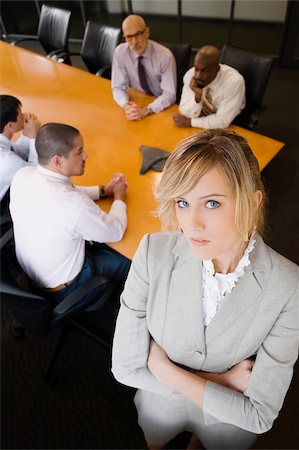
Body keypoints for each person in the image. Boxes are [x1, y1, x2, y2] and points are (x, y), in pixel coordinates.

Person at [112, 129, 299, 449]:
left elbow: (258, 415)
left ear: (253, 202)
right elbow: (125, 370)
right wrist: (221, 382)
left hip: (226, 426)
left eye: (212, 202)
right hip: (162, 406)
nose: (191, 224)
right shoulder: (152, 252)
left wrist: (160, 366)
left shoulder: (288, 286)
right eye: (183, 202)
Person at [10, 123, 130, 304]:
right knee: (133, 258)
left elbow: (68, 191)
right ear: (58, 161)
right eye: (79, 151)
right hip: (65, 288)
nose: (86, 155)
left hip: (32, 277)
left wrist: (103, 190)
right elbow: (116, 230)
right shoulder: (75, 206)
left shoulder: (23, 175)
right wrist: (119, 197)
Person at [112, 14, 177, 121]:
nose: (134, 42)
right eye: (129, 37)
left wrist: (147, 110)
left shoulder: (165, 56)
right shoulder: (120, 52)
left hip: (160, 107)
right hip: (138, 101)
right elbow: (118, 87)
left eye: (138, 34)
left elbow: (169, 94)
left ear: (147, 32)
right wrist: (126, 106)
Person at [173, 45, 245, 129]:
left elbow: (222, 121)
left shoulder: (234, 82)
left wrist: (190, 122)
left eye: (205, 70)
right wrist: (198, 97)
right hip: (201, 120)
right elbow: (185, 111)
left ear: (217, 69)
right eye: (196, 69)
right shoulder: (191, 75)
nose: (198, 76)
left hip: (232, 122)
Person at [0, 95, 40, 204]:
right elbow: (36, 173)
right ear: (10, 125)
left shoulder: (3, 143)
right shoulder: (6, 161)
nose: (23, 116)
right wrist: (33, 136)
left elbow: (18, 153)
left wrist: (27, 135)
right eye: (20, 114)